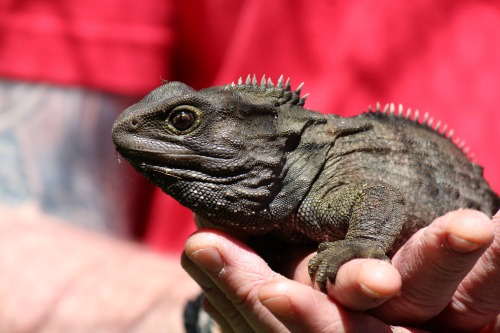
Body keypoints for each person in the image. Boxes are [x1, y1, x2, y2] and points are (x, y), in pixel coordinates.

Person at [0, 1, 499, 332]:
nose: (143, 134)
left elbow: (381, 200)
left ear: (250, 135)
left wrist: (363, 243)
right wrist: (208, 311)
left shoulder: (323, 187)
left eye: (183, 122)